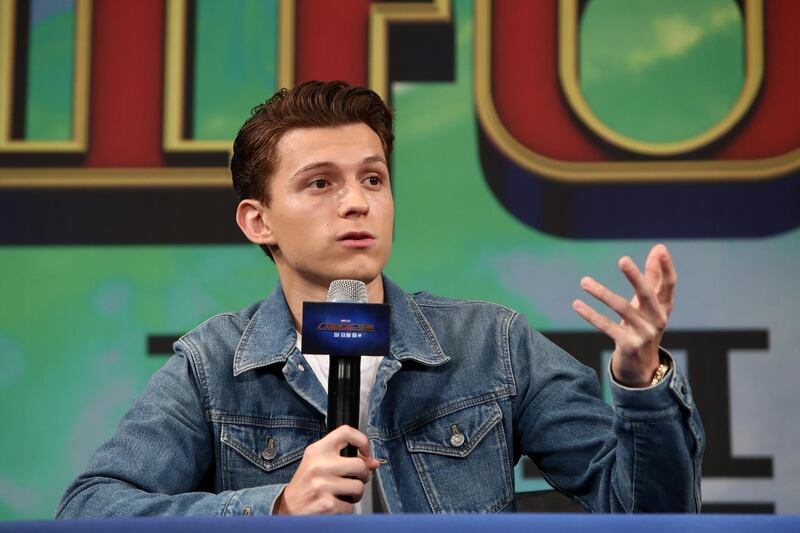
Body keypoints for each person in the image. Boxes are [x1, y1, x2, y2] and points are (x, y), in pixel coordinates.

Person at [56, 80, 704, 517]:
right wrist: (273, 506)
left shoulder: (492, 344)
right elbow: (89, 508)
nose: (358, 201)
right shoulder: (212, 364)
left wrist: (640, 381)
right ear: (259, 221)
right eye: (320, 183)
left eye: (373, 177)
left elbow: (650, 513)